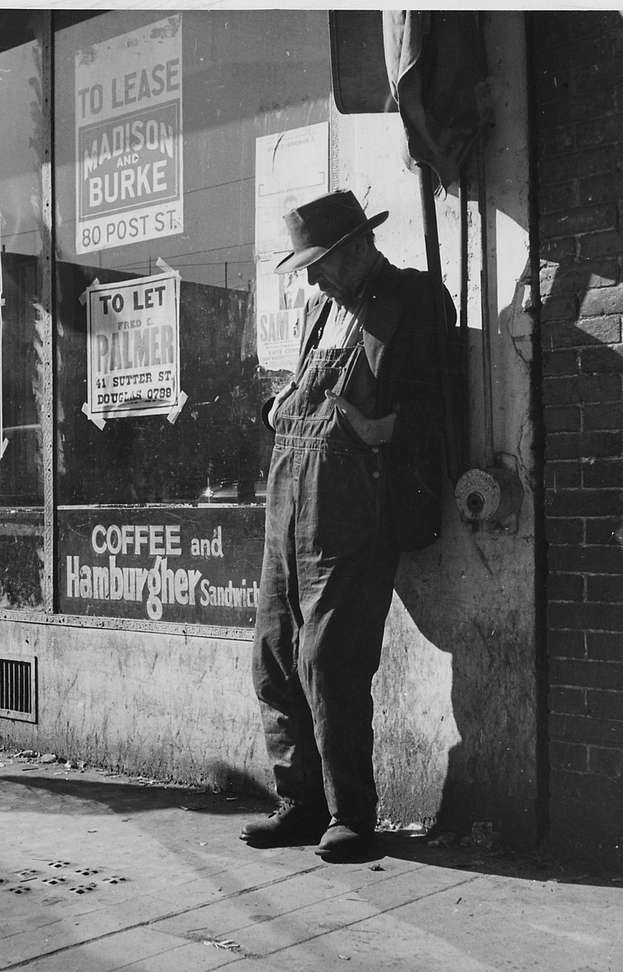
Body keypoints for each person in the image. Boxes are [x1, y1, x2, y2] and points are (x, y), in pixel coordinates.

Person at [242, 189, 453, 861]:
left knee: (330, 659)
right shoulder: (317, 309)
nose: (311, 277)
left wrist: (381, 426)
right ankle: (300, 803)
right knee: (274, 655)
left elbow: (445, 407)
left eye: (321, 262)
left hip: (356, 508)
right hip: (289, 503)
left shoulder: (413, 300)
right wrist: (283, 404)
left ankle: (351, 815)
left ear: (358, 247)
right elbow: (310, 394)